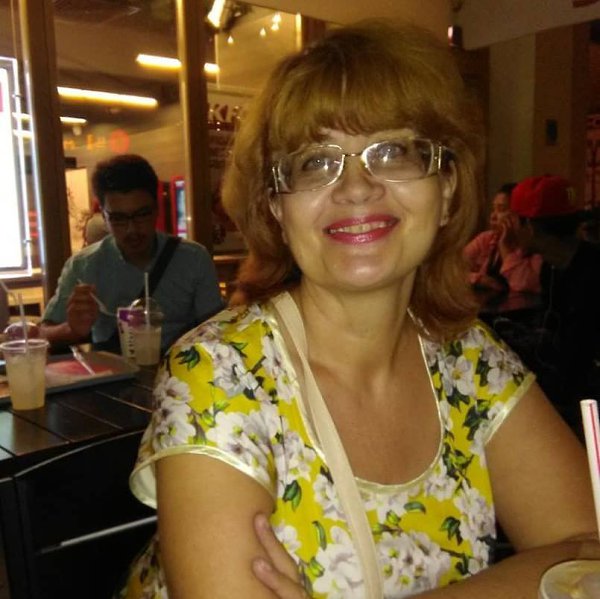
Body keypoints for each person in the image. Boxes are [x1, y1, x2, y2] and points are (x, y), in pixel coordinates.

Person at [119, 21, 599, 599]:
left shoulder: (471, 362)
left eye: (393, 151)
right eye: (315, 162)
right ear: (276, 207)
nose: (355, 187)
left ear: (447, 188)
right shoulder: (219, 374)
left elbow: (587, 549)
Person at [41, 154, 223, 354]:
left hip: (180, 369)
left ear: (156, 209)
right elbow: (44, 332)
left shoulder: (194, 259)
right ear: (103, 216)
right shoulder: (83, 266)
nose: (132, 229)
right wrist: (72, 329)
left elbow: (217, 332)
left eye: (141, 215)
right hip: (110, 371)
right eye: (118, 218)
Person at [509, 174, 600, 433]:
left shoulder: (591, 275)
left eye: (514, 219)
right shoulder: (553, 267)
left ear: (530, 227)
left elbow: (578, 355)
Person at [464, 183, 542, 294]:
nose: (493, 216)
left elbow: (523, 284)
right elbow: (450, 270)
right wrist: (480, 279)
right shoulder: (486, 239)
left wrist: (505, 248)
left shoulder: (534, 248)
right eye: (493, 209)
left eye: (501, 209)